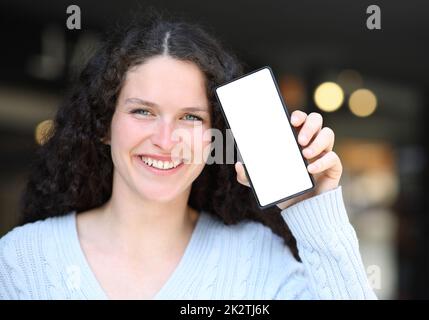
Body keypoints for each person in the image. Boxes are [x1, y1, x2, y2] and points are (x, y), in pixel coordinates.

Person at [0, 11, 377, 300]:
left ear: (214, 138)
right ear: (103, 125)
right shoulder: (23, 258)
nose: (166, 140)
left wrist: (313, 208)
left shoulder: (256, 260)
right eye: (142, 111)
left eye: (191, 117)